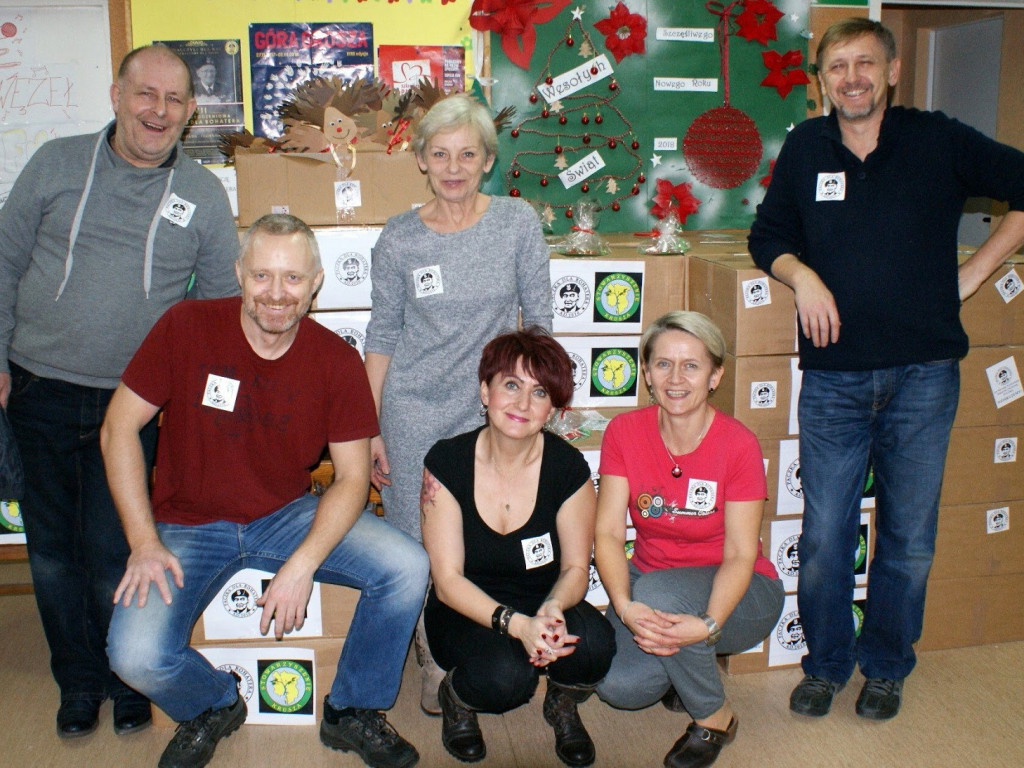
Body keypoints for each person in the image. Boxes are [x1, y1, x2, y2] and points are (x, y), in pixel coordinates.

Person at [748, 17, 1024, 721]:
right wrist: (802, 276)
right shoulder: (806, 147)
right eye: (837, 67)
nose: (852, 79)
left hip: (924, 376)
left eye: (865, 63)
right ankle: (826, 664)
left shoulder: (938, 139)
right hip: (835, 379)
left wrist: (974, 274)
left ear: (892, 71)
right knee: (824, 537)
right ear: (821, 80)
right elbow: (767, 235)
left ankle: (887, 666)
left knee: (909, 538)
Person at [101, 214, 429, 768]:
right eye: (262, 276)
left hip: (285, 514)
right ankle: (214, 703)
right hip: (188, 524)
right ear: (239, 273)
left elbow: (352, 479)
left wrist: (302, 565)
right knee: (133, 657)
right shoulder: (185, 326)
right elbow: (118, 429)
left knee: (407, 565)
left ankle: (352, 709)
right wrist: (143, 541)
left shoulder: (336, 360)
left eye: (293, 278)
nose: (277, 294)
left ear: (316, 282)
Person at [0, 43, 240, 739]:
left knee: (118, 550)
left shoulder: (201, 194)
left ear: (190, 112)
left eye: (174, 100)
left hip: (133, 407)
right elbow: (5, 261)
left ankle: (122, 674)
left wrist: (198, 407)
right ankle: (77, 681)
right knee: (52, 553)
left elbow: (218, 311)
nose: (158, 111)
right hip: (36, 387)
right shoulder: (55, 163)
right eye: (146, 94)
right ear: (116, 95)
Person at [364, 91, 552, 714]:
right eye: (440, 153)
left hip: (493, 409)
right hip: (412, 410)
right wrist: (372, 428)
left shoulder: (517, 223)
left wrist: (537, 403)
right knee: (417, 541)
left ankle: (490, 642)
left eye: (468, 154)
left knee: (483, 533)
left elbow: (540, 324)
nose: (453, 167)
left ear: (487, 160)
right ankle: (434, 658)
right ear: (420, 159)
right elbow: (382, 336)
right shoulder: (400, 237)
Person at [594, 311, 784, 768]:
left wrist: (709, 624)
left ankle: (715, 715)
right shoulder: (624, 432)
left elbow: (740, 553)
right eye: (663, 364)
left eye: (691, 366)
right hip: (649, 581)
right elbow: (608, 533)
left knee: (660, 593)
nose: (675, 379)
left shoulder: (738, 444)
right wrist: (625, 606)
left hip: (741, 593)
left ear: (715, 376)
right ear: (646, 372)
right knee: (620, 687)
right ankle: (682, 669)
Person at [420, 328, 615, 767]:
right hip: (465, 607)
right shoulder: (446, 462)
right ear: (484, 391)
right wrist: (517, 625)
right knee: (507, 679)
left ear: (553, 408)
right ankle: (457, 698)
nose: (523, 404)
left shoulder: (568, 468)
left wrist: (552, 610)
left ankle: (561, 702)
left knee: (595, 646)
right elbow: (447, 581)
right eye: (511, 384)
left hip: (541, 595)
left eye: (539, 392)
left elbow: (575, 568)